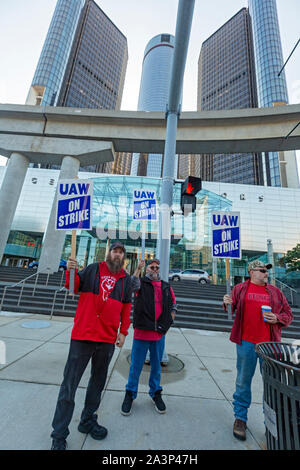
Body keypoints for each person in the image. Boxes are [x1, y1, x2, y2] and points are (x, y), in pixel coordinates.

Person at [50, 241, 133, 450]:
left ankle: (87, 420)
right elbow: (74, 287)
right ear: (109, 253)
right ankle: (59, 434)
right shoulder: (92, 269)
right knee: (69, 385)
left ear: (123, 257)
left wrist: (123, 332)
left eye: (121, 252)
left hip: (106, 340)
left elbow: (126, 307)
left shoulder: (125, 280)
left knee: (97, 383)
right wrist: (71, 271)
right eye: (115, 250)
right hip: (83, 335)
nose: (117, 254)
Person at [223, 260, 293, 441]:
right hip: (246, 342)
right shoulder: (240, 289)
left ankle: (270, 423)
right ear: (251, 272)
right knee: (242, 381)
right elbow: (231, 307)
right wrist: (226, 302)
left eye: (266, 271)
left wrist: (277, 318)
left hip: (269, 345)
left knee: (271, 385)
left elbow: (288, 314)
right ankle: (240, 418)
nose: (265, 274)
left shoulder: (276, 292)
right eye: (262, 271)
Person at [121, 258, 177, 416]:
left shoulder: (166, 286)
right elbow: (131, 287)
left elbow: (174, 304)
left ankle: (156, 393)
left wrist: (169, 321)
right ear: (147, 269)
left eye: (157, 268)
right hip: (142, 332)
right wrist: (138, 269)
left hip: (159, 333)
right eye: (152, 267)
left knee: (156, 367)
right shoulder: (141, 283)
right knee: (136, 366)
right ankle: (130, 393)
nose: (154, 269)